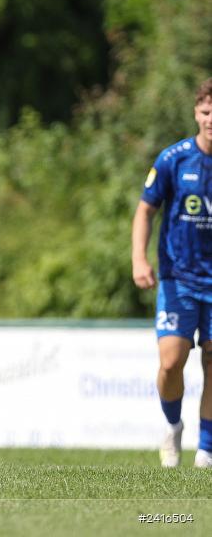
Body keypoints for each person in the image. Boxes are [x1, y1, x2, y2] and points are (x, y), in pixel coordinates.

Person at [131, 77, 212, 469]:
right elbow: (145, 209)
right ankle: (172, 425)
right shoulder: (173, 159)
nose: (211, 119)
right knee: (170, 361)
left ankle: (207, 450)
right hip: (178, 278)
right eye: (206, 111)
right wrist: (138, 259)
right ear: (196, 113)